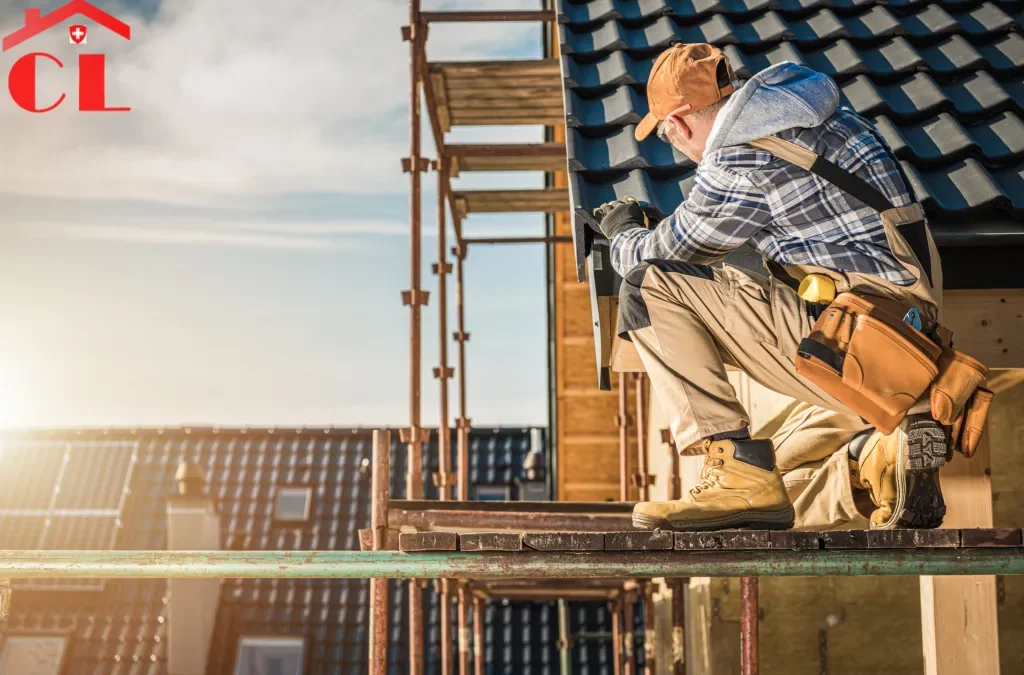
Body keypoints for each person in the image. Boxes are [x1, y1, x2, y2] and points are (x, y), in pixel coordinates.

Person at [590, 43, 954, 531]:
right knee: (777, 470)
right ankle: (877, 461)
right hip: (909, 339)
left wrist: (622, 233)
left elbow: (663, 253)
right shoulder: (834, 122)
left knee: (648, 286)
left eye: (666, 136)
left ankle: (736, 465)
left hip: (852, 341)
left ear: (676, 123)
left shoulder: (741, 158)